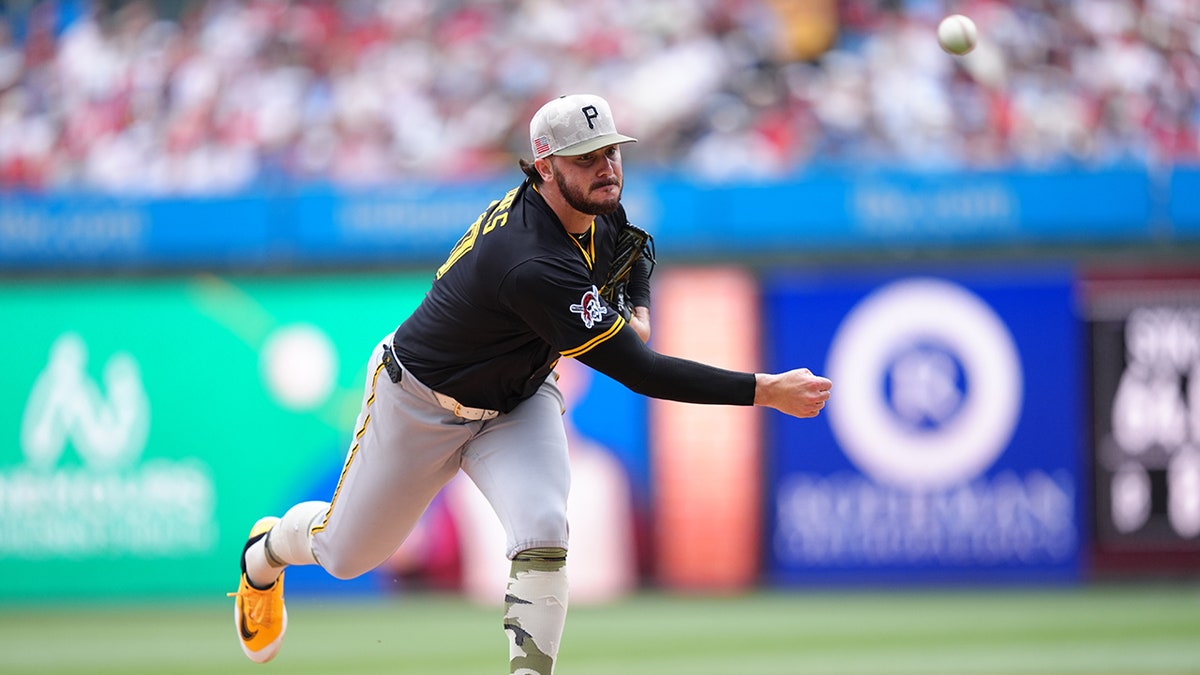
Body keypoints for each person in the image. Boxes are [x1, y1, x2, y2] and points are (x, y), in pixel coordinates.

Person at [227, 93, 832, 674]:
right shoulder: (529, 260)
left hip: (518, 400)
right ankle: (268, 550)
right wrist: (765, 389)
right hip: (418, 401)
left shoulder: (597, 205)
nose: (605, 169)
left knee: (543, 528)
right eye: (585, 158)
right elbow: (642, 372)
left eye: (610, 152)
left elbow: (636, 250)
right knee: (345, 555)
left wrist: (636, 307)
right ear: (545, 166)